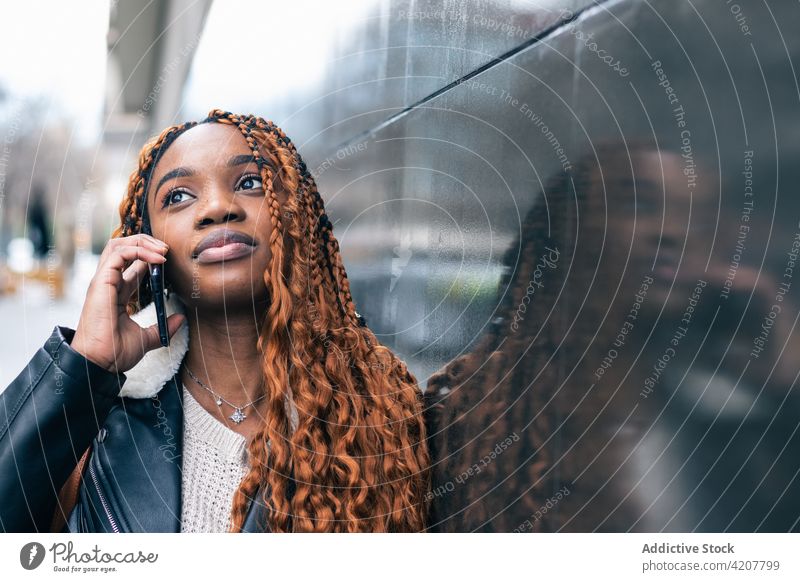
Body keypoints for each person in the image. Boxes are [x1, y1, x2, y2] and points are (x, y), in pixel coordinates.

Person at [0, 109, 431, 533]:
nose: (218, 207)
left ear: (294, 218)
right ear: (149, 249)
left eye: (249, 183)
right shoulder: (94, 424)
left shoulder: (377, 416)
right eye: (179, 196)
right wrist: (83, 367)